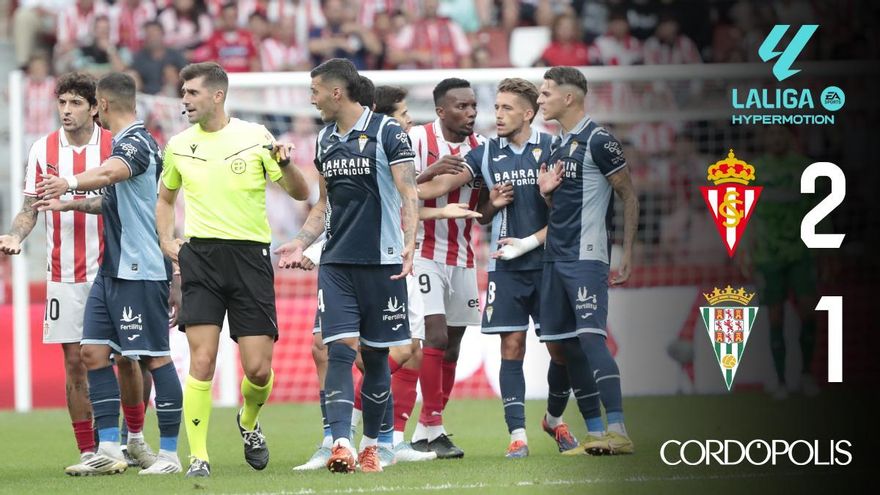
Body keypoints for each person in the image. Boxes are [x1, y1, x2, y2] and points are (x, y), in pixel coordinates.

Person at [416, 78, 588, 458]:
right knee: (512, 346)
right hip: (505, 269)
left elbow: (566, 216)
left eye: (506, 109)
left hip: (548, 264)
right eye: (496, 108)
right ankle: (517, 436)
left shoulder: (553, 148)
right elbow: (447, 190)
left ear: (528, 113)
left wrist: (533, 228)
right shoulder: (486, 152)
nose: (496, 115)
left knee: (561, 350)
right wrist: (411, 185)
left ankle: (555, 420)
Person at [155, 62, 309, 477]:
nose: (184, 100)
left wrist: (288, 163)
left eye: (192, 93)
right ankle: (199, 457)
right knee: (201, 359)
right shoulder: (178, 144)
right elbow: (166, 198)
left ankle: (249, 420)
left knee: (258, 369)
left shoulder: (256, 137)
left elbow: (301, 192)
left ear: (217, 95)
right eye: (183, 93)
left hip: (250, 259)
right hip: (200, 259)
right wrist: (167, 240)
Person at [0, 71, 156, 474]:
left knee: (128, 358)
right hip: (64, 272)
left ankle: (134, 439)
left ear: (94, 107)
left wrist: (71, 198)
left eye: (75, 104)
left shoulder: (114, 145)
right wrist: (15, 235)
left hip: (115, 267)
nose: (66, 111)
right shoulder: (43, 149)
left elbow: (127, 203)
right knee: (76, 361)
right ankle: (91, 450)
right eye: (61, 102)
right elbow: (29, 208)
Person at [35, 71, 184, 475]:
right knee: (93, 354)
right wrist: (72, 204)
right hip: (113, 267)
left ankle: (169, 455)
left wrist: (69, 181)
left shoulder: (136, 141)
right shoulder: (123, 142)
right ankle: (109, 449)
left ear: (101, 105)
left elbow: (109, 175)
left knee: (153, 357)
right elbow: (112, 200)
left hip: (140, 268)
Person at [275, 58, 419, 473]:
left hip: (382, 262)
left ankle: (374, 444)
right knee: (337, 349)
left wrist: (409, 245)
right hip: (337, 263)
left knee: (375, 358)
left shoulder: (387, 131)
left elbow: (409, 193)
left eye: (315, 90)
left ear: (337, 92)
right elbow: (325, 202)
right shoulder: (323, 140)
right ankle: (341, 442)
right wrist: (301, 241)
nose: (312, 98)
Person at [535, 66, 639, 455]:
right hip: (554, 257)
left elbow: (629, 195)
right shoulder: (559, 145)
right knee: (568, 347)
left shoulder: (600, 140)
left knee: (592, 339)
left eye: (545, 94)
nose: (540, 100)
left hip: (586, 257)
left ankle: (619, 430)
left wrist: (626, 252)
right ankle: (595, 434)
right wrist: (548, 195)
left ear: (569, 98)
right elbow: (564, 206)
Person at [407, 78, 484, 459]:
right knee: (434, 336)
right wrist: (432, 172)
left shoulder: (482, 148)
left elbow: (482, 213)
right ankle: (435, 428)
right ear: (441, 110)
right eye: (461, 107)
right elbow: (398, 193)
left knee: (452, 345)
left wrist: (496, 202)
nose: (470, 113)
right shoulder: (417, 140)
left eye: (473, 106)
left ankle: (425, 428)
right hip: (422, 251)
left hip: (464, 256)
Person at [745, 125, 822, 400]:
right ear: (764, 138)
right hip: (768, 255)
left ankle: (806, 375)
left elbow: (821, 210)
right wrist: (746, 249)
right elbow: (746, 215)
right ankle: (779, 380)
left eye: (781, 134)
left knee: (808, 311)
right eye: (771, 134)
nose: (776, 139)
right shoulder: (754, 171)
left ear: (790, 138)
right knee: (774, 316)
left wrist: (827, 248)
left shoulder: (806, 168)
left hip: (801, 252)